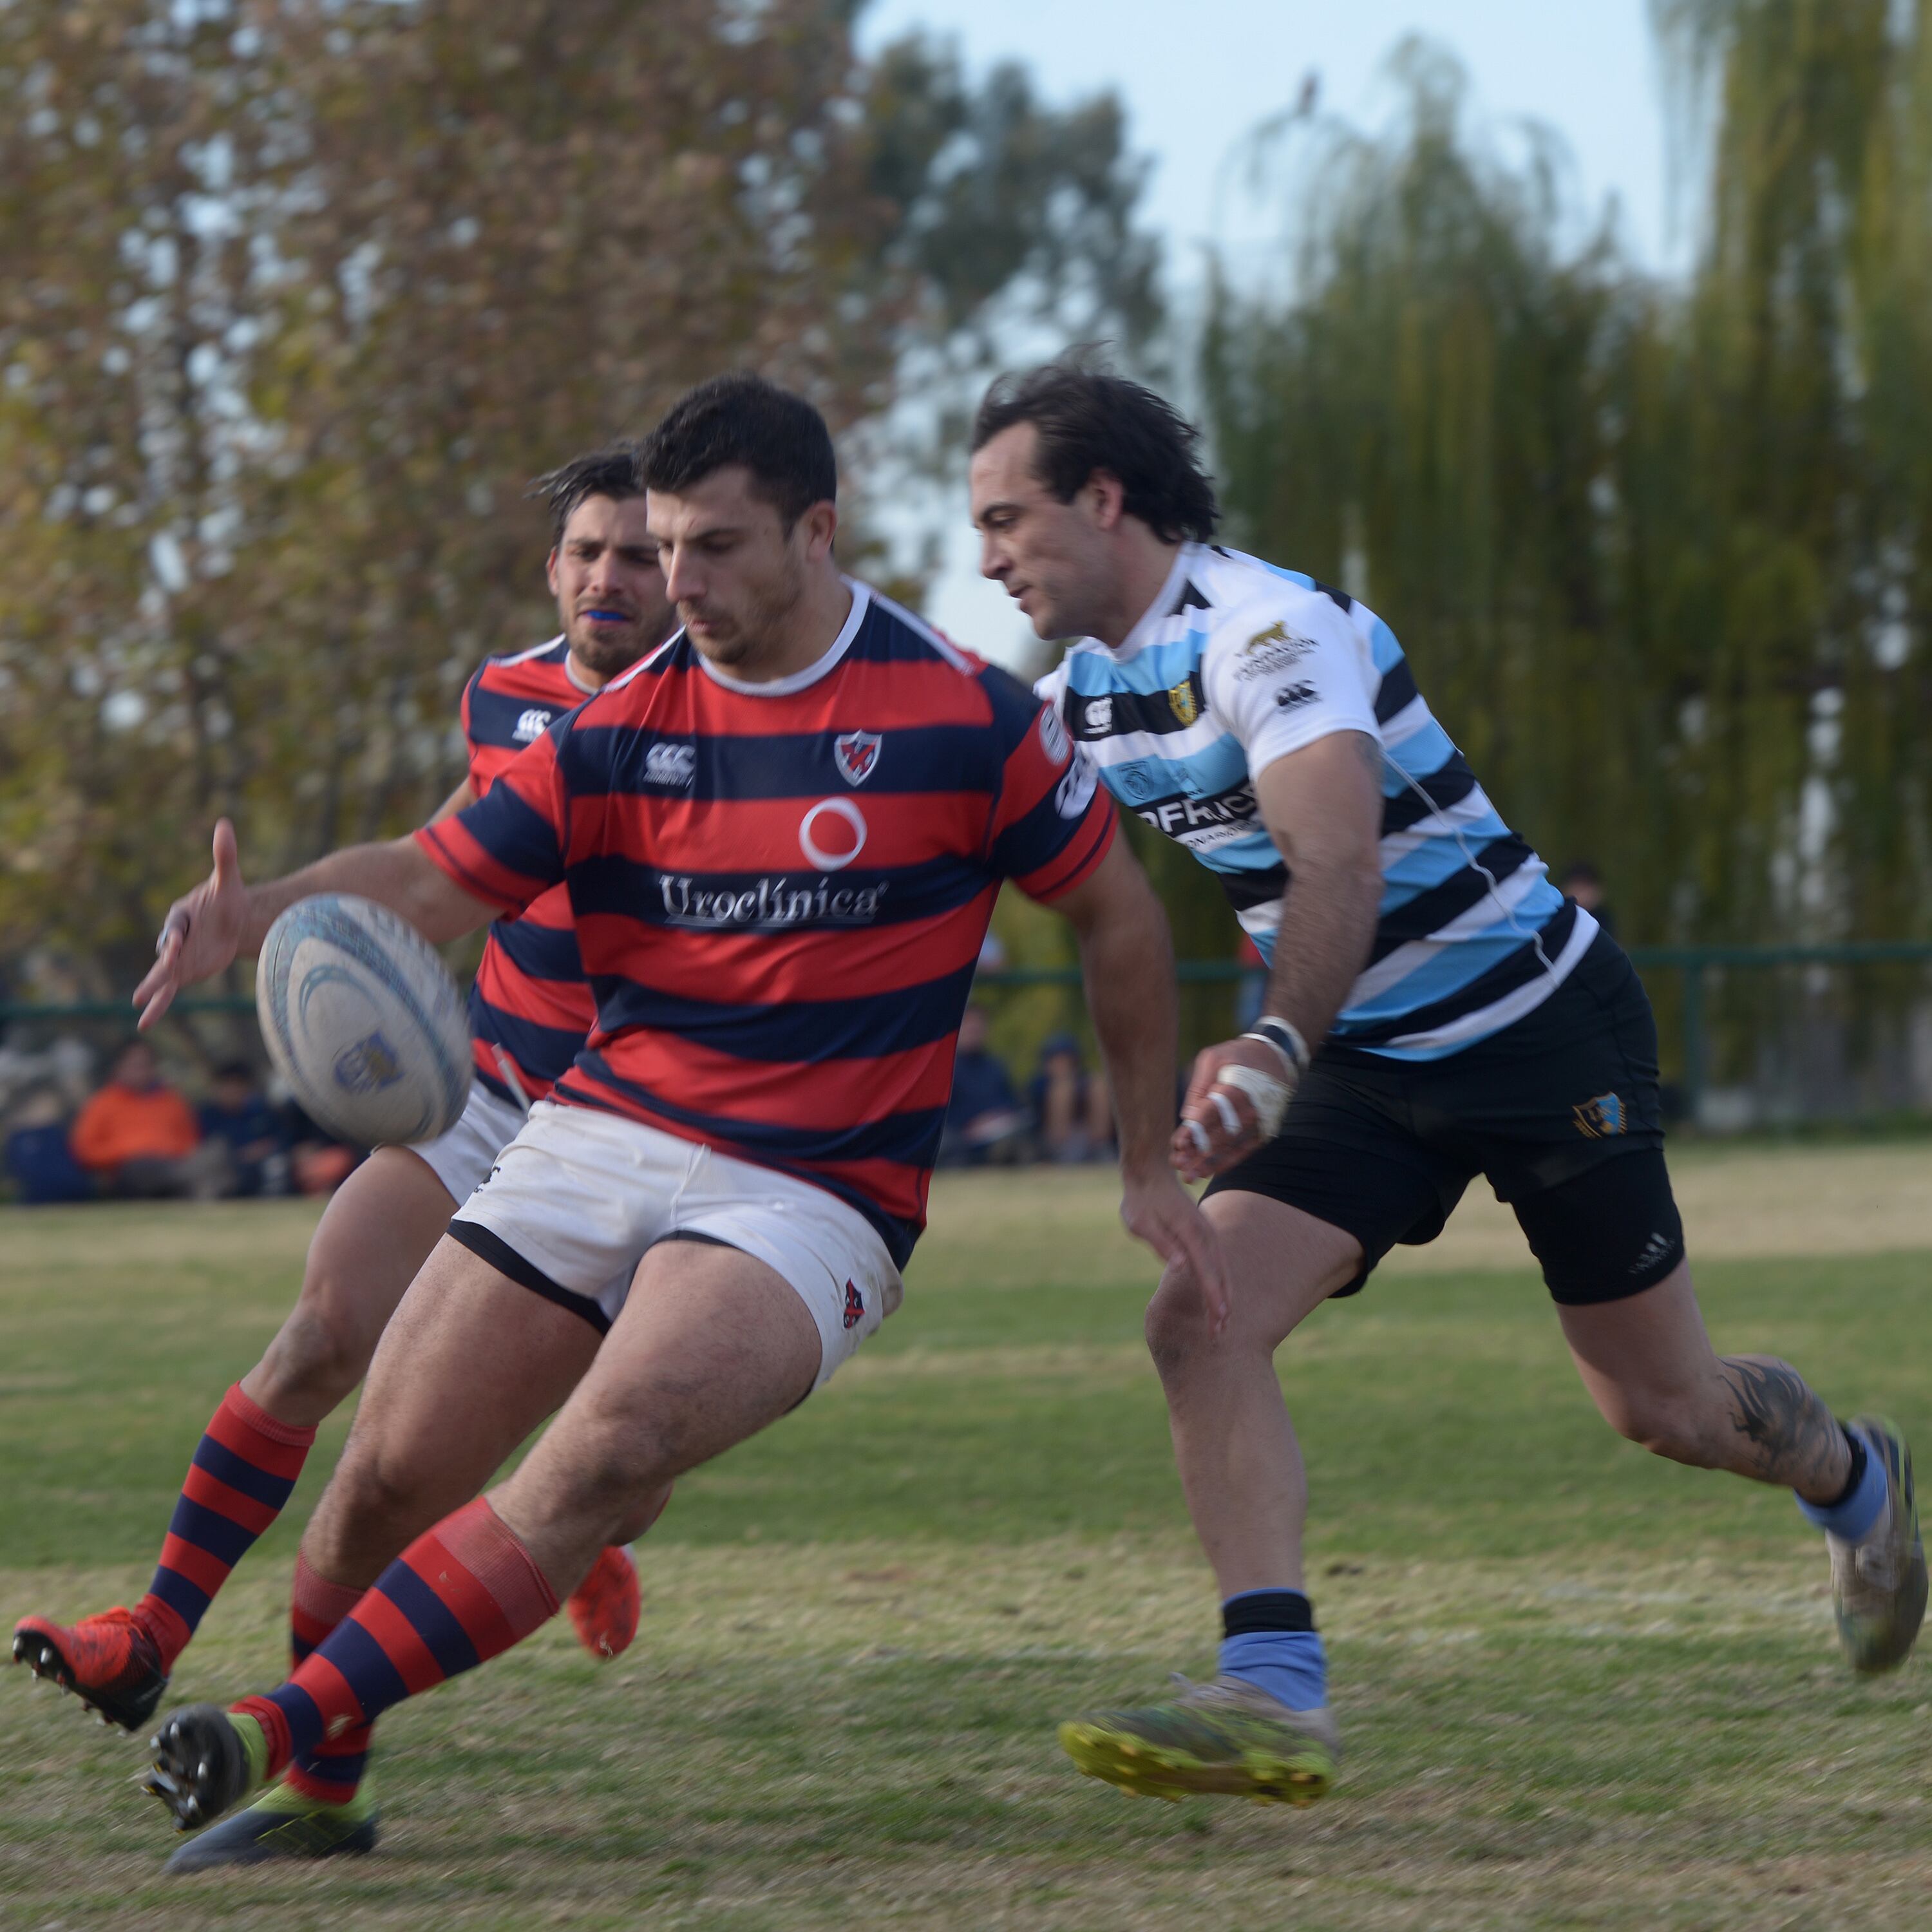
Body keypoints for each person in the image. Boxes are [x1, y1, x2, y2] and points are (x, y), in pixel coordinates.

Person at [112, 374, 1224, 1862]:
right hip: (596, 1132)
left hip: (813, 1190)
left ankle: (266, 1725)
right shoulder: (620, 726)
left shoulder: (965, 714)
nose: (672, 584)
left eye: (712, 547)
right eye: (659, 545)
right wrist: (260, 912)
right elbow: (438, 878)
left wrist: (1144, 1157)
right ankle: (326, 1792)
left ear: (816, 532)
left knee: (611, 1448)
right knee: (382, 1475)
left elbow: (1115, 914)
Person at [968, 357, 1925, 1808]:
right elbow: (1024, 876)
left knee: (1662, 1410)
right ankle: (1275, 1690)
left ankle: (1856, 1480)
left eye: (1005, 516)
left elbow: (1335, 863)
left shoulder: (1271, 628)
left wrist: (1274, 1050)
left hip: (1540, 1030)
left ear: (1104, 499)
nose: (986, 556)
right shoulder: (1083, 700)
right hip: (1362, 1059)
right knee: (1197, 1314)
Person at [12, 444, 677, 1866]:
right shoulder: (504, 693)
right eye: (589, 552)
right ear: (552, 565)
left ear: (683, 567)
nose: (612, 578)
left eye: (641, 555)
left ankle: (562, 1533)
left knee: (457, 1460)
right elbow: (437, 865)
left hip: (642, 1132)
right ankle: (151, 1638)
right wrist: (254, 918)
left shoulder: (721, 715)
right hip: (491, 1092)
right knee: (320, 1334)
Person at [68, 1040, 227, 1200]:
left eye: (147, 1065)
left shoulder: (172, 1101)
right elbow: (86, 1151)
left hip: (172, 1163)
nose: (141, 1071)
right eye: (135, 1065)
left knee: (216, 1150)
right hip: (129, 1172)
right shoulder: (102, 1103)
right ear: (119, 1068)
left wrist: (167, 1149)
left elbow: (190, 1142)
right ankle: (196, 1182)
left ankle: (193, 1181)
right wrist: (129, 1150)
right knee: (144, 1168)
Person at [939, 1005, 1028, 1166]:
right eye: (969, 1025)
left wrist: (998, 1116)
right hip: (960, 1138)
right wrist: (971, 1124)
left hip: (998, 1132)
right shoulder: (946, 1067)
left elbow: (1011, 1102)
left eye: (978, 1025)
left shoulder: (996, 1067)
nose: (974, 1030)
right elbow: (943, 1113)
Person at [198, 1061, 287, 1198]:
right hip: (226, 1169)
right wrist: (240, 1154)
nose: (233, 1090)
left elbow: (279, 1139)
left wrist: (263, 1149)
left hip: (260, 1166)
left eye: (238, 1085)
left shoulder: (261, 1112)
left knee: (276, 1165)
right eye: (227, 1085)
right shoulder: (207, 1116)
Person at [1028, 1031, 1115, 1162]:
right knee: (1062, 1091)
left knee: (1099, 1087)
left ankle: (1100, 1147)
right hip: (1055, 1143)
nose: (1061, 1065)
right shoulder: (1039, 1085)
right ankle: (1061, 1152)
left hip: (1090, 1138)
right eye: (1056, 1060)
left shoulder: (1086, 1082)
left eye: (1065, 1060)